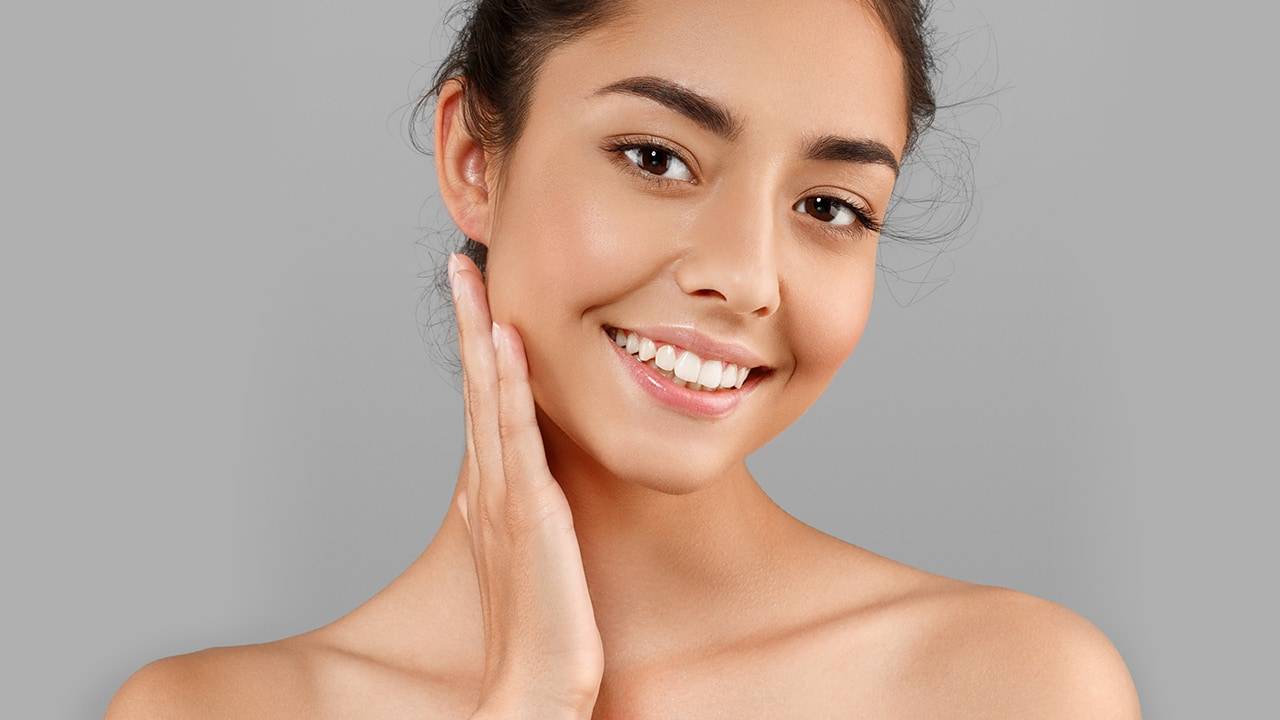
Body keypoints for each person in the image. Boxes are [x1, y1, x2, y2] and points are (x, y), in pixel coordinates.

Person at [107, 0, 1142, 717]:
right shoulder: (204, 713)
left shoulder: (1006, 690)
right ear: (474, 158)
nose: (745, 277)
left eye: (828, 207)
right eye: (655, 158)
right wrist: (530, 702)